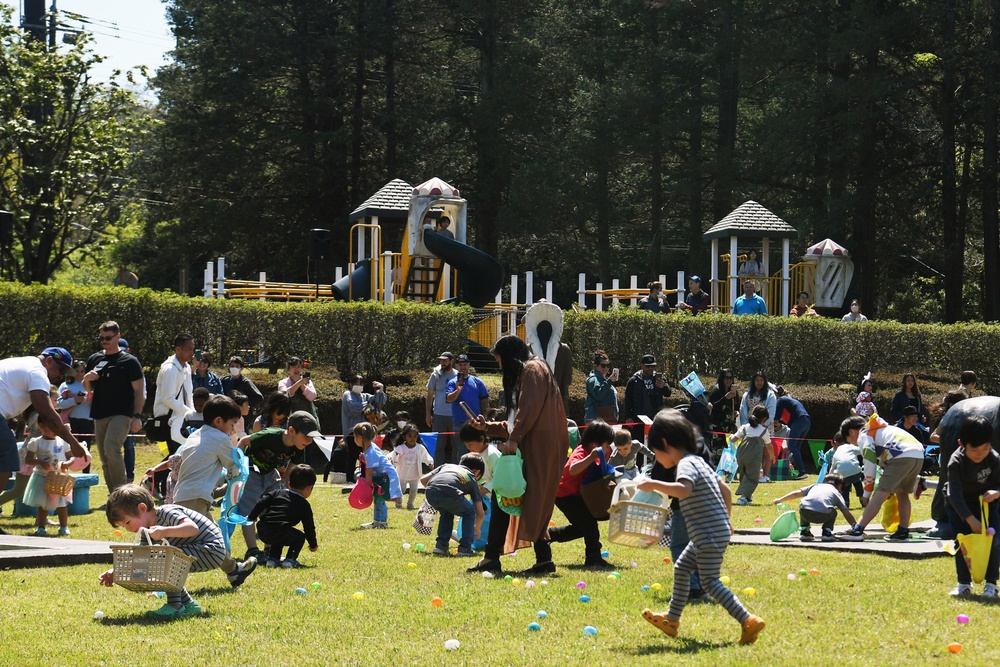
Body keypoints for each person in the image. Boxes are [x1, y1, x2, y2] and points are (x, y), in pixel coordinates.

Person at [638, 409, 764, 645]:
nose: (657, 458)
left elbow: (684, 490)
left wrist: (653, 483)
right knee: (682, 568)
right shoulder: (698, 460)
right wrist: (727, 521)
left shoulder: (685, 465)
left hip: (706, 535)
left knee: (709, 582)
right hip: (711, 532)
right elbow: (725, 489)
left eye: (656, 453)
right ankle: (672, 620)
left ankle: (748, 620)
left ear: (665, 444)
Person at [466, 335, 569, 576]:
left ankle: (493, 558)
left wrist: (513, 439)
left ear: (511, 357)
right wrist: (487, 428)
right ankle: (541, 560)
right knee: (521, 499)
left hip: (537, 448)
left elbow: (528, 411)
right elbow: (518, 419)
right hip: (535, 446)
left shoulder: (532, 369)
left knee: (508, 496)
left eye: (501, 361)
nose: (500, 367)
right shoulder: (533, 370)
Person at [99, 484, 243, 618]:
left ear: (142, 508)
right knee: (157, 562)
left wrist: (165, 531)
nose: (128, 529)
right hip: (198, 551)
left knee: (165, 560)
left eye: (127, 522)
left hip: (211, 549)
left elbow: (192, 528)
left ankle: (175, 605)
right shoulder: (146, 533)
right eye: (123, 527)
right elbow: (141, 559)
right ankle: (189, 605)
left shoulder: (167, 512)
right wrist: (116, 571)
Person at [167, 394, 258, 586]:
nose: (233, 429)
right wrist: (239, 476)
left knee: (204, 538)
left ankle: (234, 571)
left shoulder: (195, 435)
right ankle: (167, 579)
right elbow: (233, 466)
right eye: (232, 424)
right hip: (196, 498)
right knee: (210, 541)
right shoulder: (219, 438)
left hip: (183, 495)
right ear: (218, 421)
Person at [0, 348, 87, 506]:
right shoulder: (37, 371)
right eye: (61, 369)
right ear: (48, 361)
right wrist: (73, 443)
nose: (60, 376)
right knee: (7, 456)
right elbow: (48, 414)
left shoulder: (25, 364)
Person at [236, 411, 322, 560]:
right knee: (249, 510)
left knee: (272, 510)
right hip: (251, 471)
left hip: (270, 474)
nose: (309, 441)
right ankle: (252, 550)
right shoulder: (270, 435)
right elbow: (243, 441)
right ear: (291, 431)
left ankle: (269, 550)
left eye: (311, 438)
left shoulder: (298, 448)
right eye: (306, 437)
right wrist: (238, 467)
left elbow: (291, 470)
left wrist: (286, 490)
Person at [538, 420, 616, 570]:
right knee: (589, 525)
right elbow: (573, 470)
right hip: (565, 495)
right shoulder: (582, 452)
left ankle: (548, 535)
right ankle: (593, 558)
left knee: (582, 528)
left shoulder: (600, 454)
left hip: (578, 495)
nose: (608, 450)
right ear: (595, 444)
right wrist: (591, 457)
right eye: (606, 445)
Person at [840, 414, 925, 541]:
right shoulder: (882, 429)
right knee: (902, 493)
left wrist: (866, 493)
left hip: (901, 456)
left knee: (880, 493)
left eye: (849, 440)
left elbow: (869, 464)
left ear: (852, 432)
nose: (853, 444)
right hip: (918, 454)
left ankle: (858, 530)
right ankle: (903, 532)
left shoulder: (864, 435)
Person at [84, 322, 145, 494]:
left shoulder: (129, 361)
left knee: (112, 448)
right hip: (99, 412)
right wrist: (88, 379)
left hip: (122, 413)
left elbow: (139, 392)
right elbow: (88, 389)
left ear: (118, 336)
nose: (104, 341)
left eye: (108, 338)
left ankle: (122, 493)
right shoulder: (95, 359)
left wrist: (137, 416)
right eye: (102, 338)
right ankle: (114, 496)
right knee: (104, 457)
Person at [945, 415, 1000, 598]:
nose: (980, 454)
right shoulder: (956, 461)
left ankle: (991, 584)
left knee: (994, 542)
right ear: (962, 444)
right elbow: (954, 494)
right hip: (959, 507)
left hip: (986, 506)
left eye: (985, 448)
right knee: (963, 543)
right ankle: (964, 583)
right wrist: (969, 519)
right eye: (974, 449)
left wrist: (996, 493)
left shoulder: (993, 458)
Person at [150, 333, 197, 497]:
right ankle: (154, 480)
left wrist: (192, 414)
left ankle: (160, 484)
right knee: (177, 454)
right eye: (188, 349)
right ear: (178, 349)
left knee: (178, 453)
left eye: (193, 349)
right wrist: (188, 411)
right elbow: (167, 398)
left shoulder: (186, 367)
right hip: (168, 419)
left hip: (181, 418)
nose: (192, 353)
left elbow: (188, 394)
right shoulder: (170, 369)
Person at [248, 464, 319, 569]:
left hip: (263, 530)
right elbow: (308, 527)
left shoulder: (276, 493)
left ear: (289, 484)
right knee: (299, 536)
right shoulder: (304, 504)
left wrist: (252, 517)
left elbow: (261, 502)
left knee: (280, 530)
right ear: (309, 489)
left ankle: (272, 559)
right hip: (279, 532)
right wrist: (313, 545)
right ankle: (290, 560)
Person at [421, 453, 485, 557]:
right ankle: (465, 548)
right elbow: (480, 512)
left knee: (446, 513)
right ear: (477, 472)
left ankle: (441, 546)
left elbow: (423, 480)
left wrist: (438, 490)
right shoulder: (471, 477)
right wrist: (476, 528)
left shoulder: (446, 466)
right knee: (469, 512)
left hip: (430, 491)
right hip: (450, 493)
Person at [22, 418, 78, 536]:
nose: (54, 431)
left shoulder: (62, 442)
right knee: (43, 504)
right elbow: (28, 459)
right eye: (51, 427)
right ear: (41, 426)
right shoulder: (36, 442)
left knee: (62, 504)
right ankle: (41, 527)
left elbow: (71, 457)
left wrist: (67, 463)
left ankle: (64, 527)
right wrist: (40, 462)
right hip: (42, 477)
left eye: (56, 428)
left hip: (59, 478)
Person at [772, 473, 859, 542]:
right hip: (824, 515)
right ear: (840, 486)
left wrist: (780, 499)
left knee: (805, 505)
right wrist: (855, 528)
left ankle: (805, 531)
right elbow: (846, 513)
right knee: (833, 512)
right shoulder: (836, 493)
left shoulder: (815, 486)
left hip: (805, 513)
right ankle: (827, 533)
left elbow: (797, 493)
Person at [356, 421, 401, 529]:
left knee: (379, 499)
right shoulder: (371, 448)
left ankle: (382, 523)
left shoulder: (370, 452)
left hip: (386, 478)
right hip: (382, 476)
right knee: (377, 498)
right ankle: (376, 521)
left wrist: (367, 487)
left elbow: (369, 472)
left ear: (359, 437)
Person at [341, 374, 387, 481]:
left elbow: (380, 402)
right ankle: (349, 479)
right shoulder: (347, 394)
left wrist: (381, 389)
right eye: (356, 383)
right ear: (350, 384)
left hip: (365, 432)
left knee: (365, 456)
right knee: (353, 455)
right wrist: (368, 404)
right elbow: (353, 408)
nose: (358, 386)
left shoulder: (365, 396)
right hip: (351, 431)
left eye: (360, 384)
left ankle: (363, 477)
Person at [445, 353, 490, 459]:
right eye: (460, 365)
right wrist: (458, 390)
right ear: (456, 366)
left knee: (479, 449)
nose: (463, 367)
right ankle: (462, 473)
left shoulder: (477, 381)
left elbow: (484, 400)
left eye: (465, 364)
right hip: (460, 423)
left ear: (469, 365)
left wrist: (486, 416)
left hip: (476, 422)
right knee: (462, 451)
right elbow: (449, 399)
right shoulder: (452, 382)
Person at [623, 354, 671, 437]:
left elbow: (668, 393)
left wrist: (664, 386)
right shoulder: (634, 380)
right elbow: (628, 399)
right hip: (639, 419)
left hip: (655, 418)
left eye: (652, 366)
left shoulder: (659, 378)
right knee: (639, 444)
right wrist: (628, 417)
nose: (650, 368)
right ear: (642, 365)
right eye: (647, 366)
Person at [732, 405, 770, 506]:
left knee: (744, 475)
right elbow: (769, 445)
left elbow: (733, 439)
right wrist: (772, 456)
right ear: (764, 419)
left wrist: (732, 436)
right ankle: (743, 498)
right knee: (752, 477)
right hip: (753, 456)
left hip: (741, 454)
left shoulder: (744, 427)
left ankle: (747, 496)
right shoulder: (763, 430)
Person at [425, 352, 458, 466]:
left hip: (455, 415)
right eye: (441, 361)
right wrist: (428, 414)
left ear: (451, 361)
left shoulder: (458, 375)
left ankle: (456, 472)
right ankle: (437, 471)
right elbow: (429, 395)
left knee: (456, 445)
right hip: (439, 415)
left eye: (445, 360)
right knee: (438, 445)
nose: (442, 363)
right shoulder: (435, 375)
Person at [393, 424, 433, 509]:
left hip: (414, 474)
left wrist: (430, 463)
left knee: (414, 490)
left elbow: (426, 456)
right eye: (410, 436)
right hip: (402, 473)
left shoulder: (419, 447)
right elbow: (394, 456)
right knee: (401, 490)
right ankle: (399, 502)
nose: (412, 438)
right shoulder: (401, 448)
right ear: (404, 437)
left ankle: (410, 504)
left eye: (415, 436)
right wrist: (393, 462)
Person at [774, 386, 812, 476]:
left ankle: (802, 471)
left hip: (798, 421)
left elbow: (777, 416)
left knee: (792, 446)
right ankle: (798, 470)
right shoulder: (788, 399)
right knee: (796, 447)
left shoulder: (780, 400)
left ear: (776, 394)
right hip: (806, 421)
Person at [57, 361, 93, 445]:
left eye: (82, 371)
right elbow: (58, 403)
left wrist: (92, 400)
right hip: (69, 420)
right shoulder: (65, 385)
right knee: (69, 446)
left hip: (87, 420)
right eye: (77, 371)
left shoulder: (92, 385)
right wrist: (74, 400)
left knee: (85, 447)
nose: (79, 374)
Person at [829, 432, 865, 508]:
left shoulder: (836, 453)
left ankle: (845, 502)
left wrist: (829, 476)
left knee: (845, 485)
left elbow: (832, 468)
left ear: (836, 443)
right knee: (857, 481)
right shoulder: (851, 447)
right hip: (856, 472)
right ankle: (862, 498)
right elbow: (861, 451)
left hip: (843, 475)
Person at [584, 350, 619, 423]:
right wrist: (610, 381)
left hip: (606, 420)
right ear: (596, 366)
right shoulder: (593, 380)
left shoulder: (603, 380)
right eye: (603, 365)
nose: (606, 368)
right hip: (596, 421)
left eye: (608, 365)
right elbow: (599, 395)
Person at [279, 357, 318, 421]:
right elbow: (284, 396)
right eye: (293, 367)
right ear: (289, 369)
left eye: (298, 367)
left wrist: (302, 384)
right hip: (290, 419)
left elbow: (312, 396)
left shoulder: (307, 382)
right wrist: (298, 383)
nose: (296, 369)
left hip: (307, 418)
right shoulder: (283, 382)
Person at [708, 369, 739, 435]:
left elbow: (737, 406)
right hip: (717, 427)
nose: (729, 380)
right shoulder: (716, 390)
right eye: (726, 378)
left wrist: (736, 411)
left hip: (730, 427)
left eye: (731, 378)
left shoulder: (733, 391)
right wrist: (725, 398)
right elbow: (713, 407)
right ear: (722, 378)